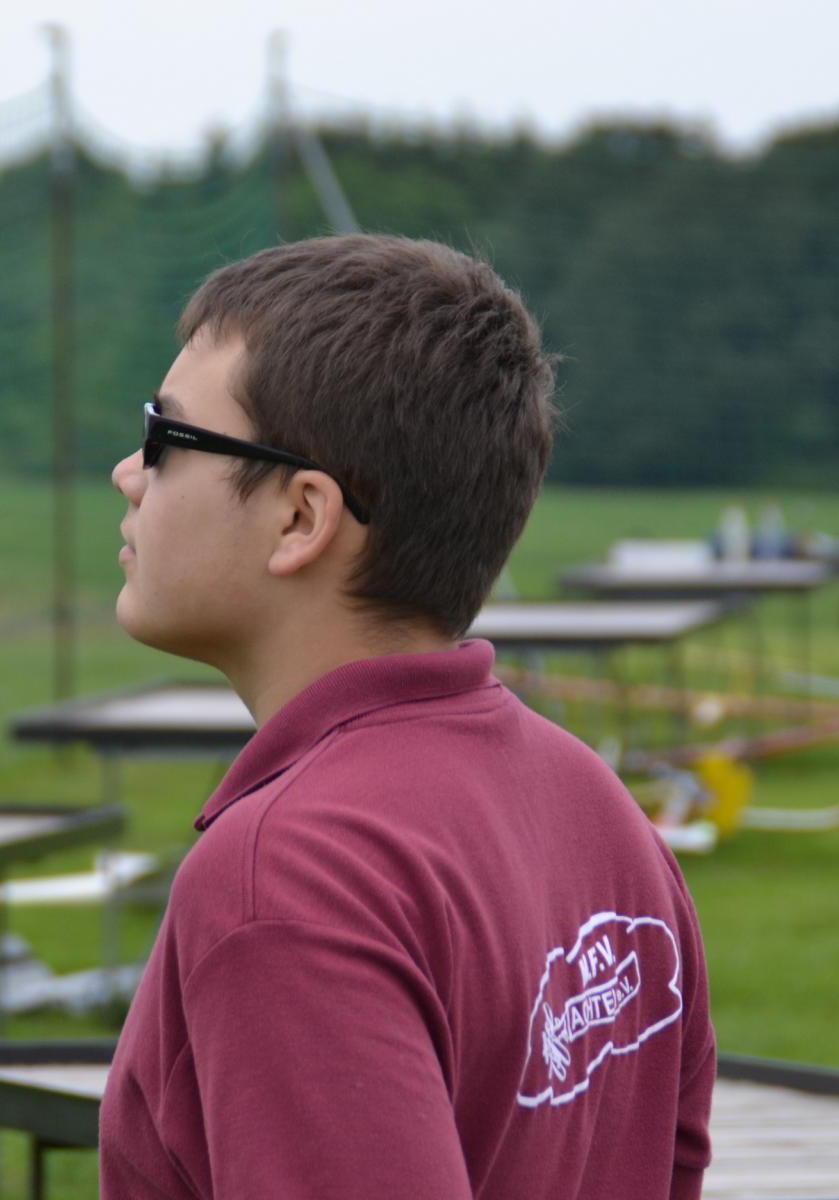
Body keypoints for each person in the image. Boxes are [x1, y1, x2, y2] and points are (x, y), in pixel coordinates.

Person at [99, 234, 715, 1199]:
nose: (128, 474)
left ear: (302, 518)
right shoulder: (598, 807)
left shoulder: (286, 879)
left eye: (165, 438)